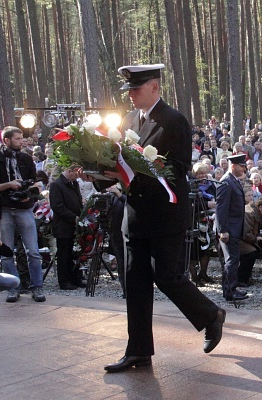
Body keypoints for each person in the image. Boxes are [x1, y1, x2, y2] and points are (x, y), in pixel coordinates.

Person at [103, 64, 225, 373]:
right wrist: (98, 173)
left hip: (164, 213)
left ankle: (211, 315)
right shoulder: (129, 120)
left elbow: (178, 168)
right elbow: (117, 165)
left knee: (167, 276)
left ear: (155, 87)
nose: (130, 95)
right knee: (135, 283)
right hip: (135, 215)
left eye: (136, 89)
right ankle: (138, 351)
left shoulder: (173, 121)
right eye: (128, 90)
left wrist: (141, 169)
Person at [0, 126, 45, 303]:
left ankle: (37, 286)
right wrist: (9, 185)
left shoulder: (26, 158)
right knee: (7, 251)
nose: (21, 141)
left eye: (22, 138)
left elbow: (36, 182)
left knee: (33, 250)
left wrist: (30, 192)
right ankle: (12, 288)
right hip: (5, 209)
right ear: (6, 140)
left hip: (25, 209)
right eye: (17, 139)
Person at [216, 153, 249, 301]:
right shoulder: (226, 182)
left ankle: (232, 288)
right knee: (231, 260)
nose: (244, 168)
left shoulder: (232, 181)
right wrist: (223, 230)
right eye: (242, 166)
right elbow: (221, 209)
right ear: (234, 166)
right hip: (229, 229)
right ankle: (229, 291)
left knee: (234, 259)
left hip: (234, 228)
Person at [49, 166, 85, 290]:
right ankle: (64, 280)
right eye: (75, 174)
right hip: (63, 226)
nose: (77, 177)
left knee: (73, 253)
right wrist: (73, 217)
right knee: (64, 254)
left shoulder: (73, 183)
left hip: (73, 225)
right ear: (69, 171)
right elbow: (57, 206)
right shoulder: (57, 185)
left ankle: (74, 278)